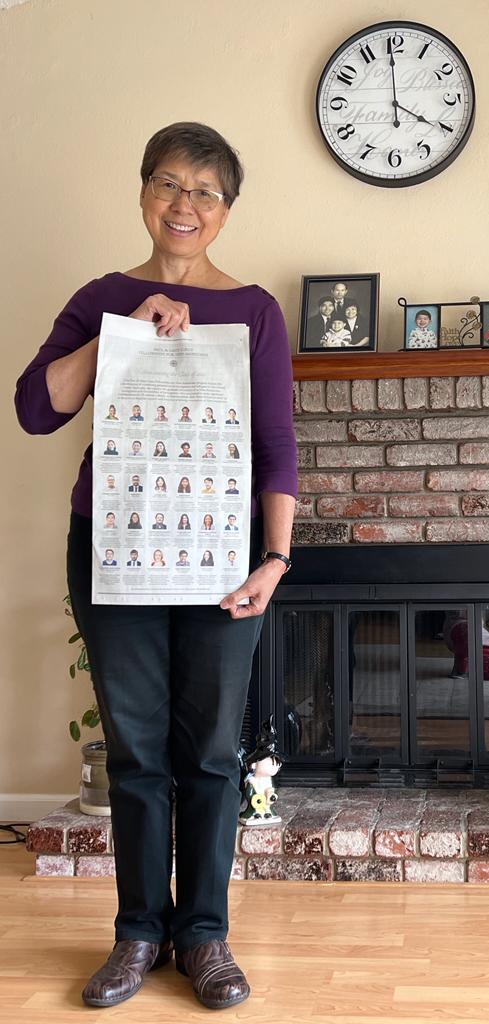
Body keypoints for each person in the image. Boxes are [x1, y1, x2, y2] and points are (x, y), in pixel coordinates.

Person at [15, 121, 297, 1011]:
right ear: (143, 193)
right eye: (171, 185)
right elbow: (35, 408)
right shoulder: (104, 296)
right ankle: (139, 933)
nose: (186, 204)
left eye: (206, 192)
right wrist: (121, 335)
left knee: (211, 754)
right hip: (115, 550)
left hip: (223, 558)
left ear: (226, 211)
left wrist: (276, 558)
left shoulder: (253, 309)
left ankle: (203, 937)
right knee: (137, 752)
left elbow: (277, 446)